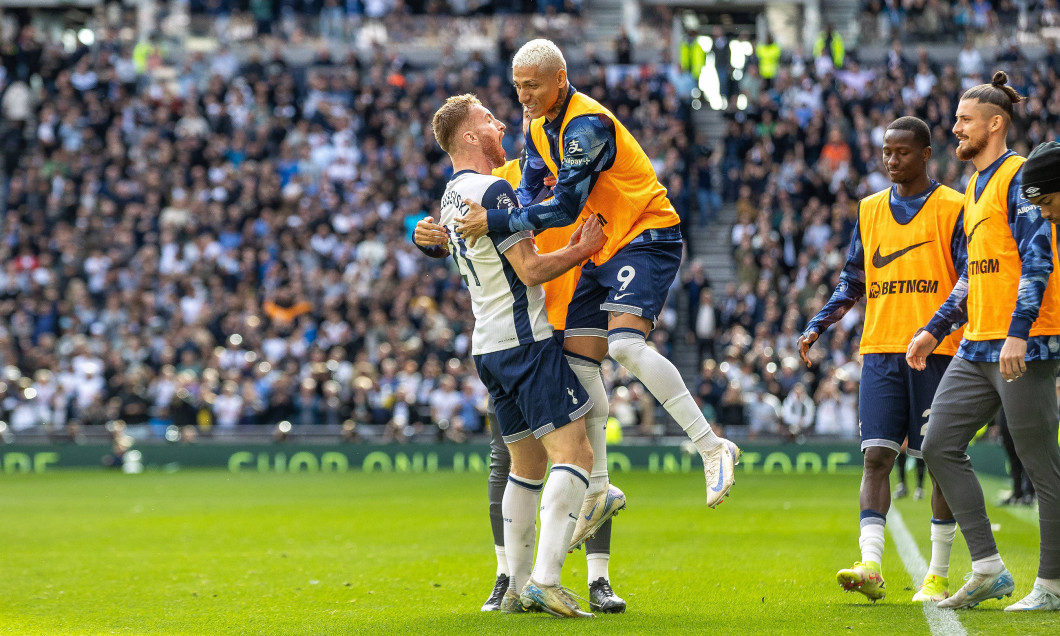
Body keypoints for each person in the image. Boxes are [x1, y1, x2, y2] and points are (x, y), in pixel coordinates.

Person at [455, 38, 740, 508]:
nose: (523, 96)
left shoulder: (585, 125)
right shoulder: (538, 126)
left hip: (643, 234)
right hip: (601, 246)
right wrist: (467, 227)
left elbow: (564, 206)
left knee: (625, 345)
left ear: (560, 79)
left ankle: (711, 446)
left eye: (532, 86)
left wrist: (496, 221)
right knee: (577, 361)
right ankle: (600, 488)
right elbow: (527, 195)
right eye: (517, 86)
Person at [416, 141, 628, 613]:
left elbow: (465, 239)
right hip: (529, 337)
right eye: (491, 117)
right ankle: (541, 580)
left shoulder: (455, 192)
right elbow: (529, 267)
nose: (505, 122)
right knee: (578, 455)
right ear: (471, 135)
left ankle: (526, 585)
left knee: (526, 467)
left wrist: (430, 237)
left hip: (489, 345)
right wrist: (582, 248)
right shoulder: (501, 182)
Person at [907, 72, 1060, 612]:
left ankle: (1053, 587)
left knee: (1043, 469)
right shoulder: (973, 186)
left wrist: (1019, 333)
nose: (954, 128)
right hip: (977, 345)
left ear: (995, 125)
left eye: (964, 120)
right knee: (938, 445)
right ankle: (989, 568)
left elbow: (1038, 260)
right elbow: (975, 272)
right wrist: (934, 327)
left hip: (1025, 344)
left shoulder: (1021, 177)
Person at [797, 116, 963, 603]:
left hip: (936, 353)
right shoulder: (869, 209)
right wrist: (818, 324)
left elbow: (966, 282)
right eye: (887, 152)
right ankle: (870, 564)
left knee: (939, 462)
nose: (892, 160)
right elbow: (852, 279)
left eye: (903, 152)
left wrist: (935, 332)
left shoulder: (952, 207)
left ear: (927, 154)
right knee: (875, 458)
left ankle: (938, 573)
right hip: (880, 350)